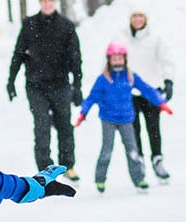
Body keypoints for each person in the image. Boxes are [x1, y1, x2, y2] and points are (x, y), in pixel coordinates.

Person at [74, 42, 172, 194]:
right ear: (109, 60)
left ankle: (139, 179)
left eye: (120, 58)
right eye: (114, 59)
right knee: (107, 150)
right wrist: (83, 113)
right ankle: (100, 178)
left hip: (127, 119)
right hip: (108, 119)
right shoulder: (103, 79)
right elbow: (92, 97)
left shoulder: (130, 77)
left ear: (125, 59)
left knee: (133, 151)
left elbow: (147, 89)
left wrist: (161, 102)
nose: (117, 61)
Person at [7, 0, 83, 182]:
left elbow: (75, 57)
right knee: (41, 126)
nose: (47, 4)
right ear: (40, 3)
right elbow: (18, 54)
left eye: (50, 1)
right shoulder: (29, 24)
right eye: (44, 1)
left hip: (61, 85)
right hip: (36, 86)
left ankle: (68, 165)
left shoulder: (66, 26)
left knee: (64, 126)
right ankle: (45, 168)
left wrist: (77, 86)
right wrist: (11, 81)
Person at [118, 9, 175, 181]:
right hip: (129, 93)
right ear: (130, 19)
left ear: (145, 19)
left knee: (153, 128)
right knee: (134, 130)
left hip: (151, 90)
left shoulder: (155, 39)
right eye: (134, 16)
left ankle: (157, 159)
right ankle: (139, 161)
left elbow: (167, 60)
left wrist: (168, 80)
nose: (137, 20)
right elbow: (110, 60)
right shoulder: (121, 38)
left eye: (140, 16)